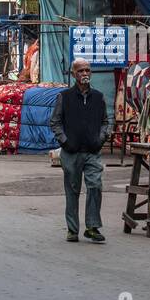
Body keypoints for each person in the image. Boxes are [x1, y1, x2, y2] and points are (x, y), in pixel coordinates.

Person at [51, 58, 112, 243]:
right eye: (80, 71)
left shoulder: (98, 97)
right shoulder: (65, 97)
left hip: (92, 151)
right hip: (71, 152)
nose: (85, 73)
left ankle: (92, 227)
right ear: (73, 74)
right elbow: (55, 122)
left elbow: (105, 122)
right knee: (72, 190)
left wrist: (102, 138)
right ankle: (72, 229)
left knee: (95, 186)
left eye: (87, 70)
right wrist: (65, 141)